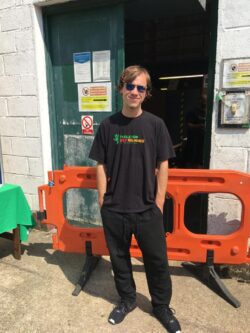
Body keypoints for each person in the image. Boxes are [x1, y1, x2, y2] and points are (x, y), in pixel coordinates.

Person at [89, 65, 181, 333]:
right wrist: (101, 196)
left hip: (147, 210)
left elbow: (163, 163)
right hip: (115, 209)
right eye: (130, 86)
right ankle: (127, 300)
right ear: (121, 88)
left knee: (157, 262)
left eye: (140, 88)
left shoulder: (155, 125)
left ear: (146, 93)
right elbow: (100, 164)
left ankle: (161, 307)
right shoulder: (108, 126)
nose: (134, 92)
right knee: (119, 260)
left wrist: (160, 201)